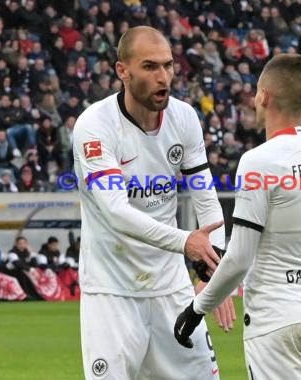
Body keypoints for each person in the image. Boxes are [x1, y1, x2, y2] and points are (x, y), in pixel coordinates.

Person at [72, 25, 235, 380]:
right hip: (112, 292)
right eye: (149, 67)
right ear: (122, 71)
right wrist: (185, 242)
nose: (163, 77)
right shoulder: (95, 127)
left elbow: (206, 200)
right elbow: (116, 212)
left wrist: (213, 273)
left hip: (171, 290)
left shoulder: (184, 117)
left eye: (168, 65)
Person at [174, 54, 301, 380]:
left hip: (277, 319)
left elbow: (239, 258)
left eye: (255, 92)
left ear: (264, 96)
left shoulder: (259, 161)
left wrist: (196, 310)